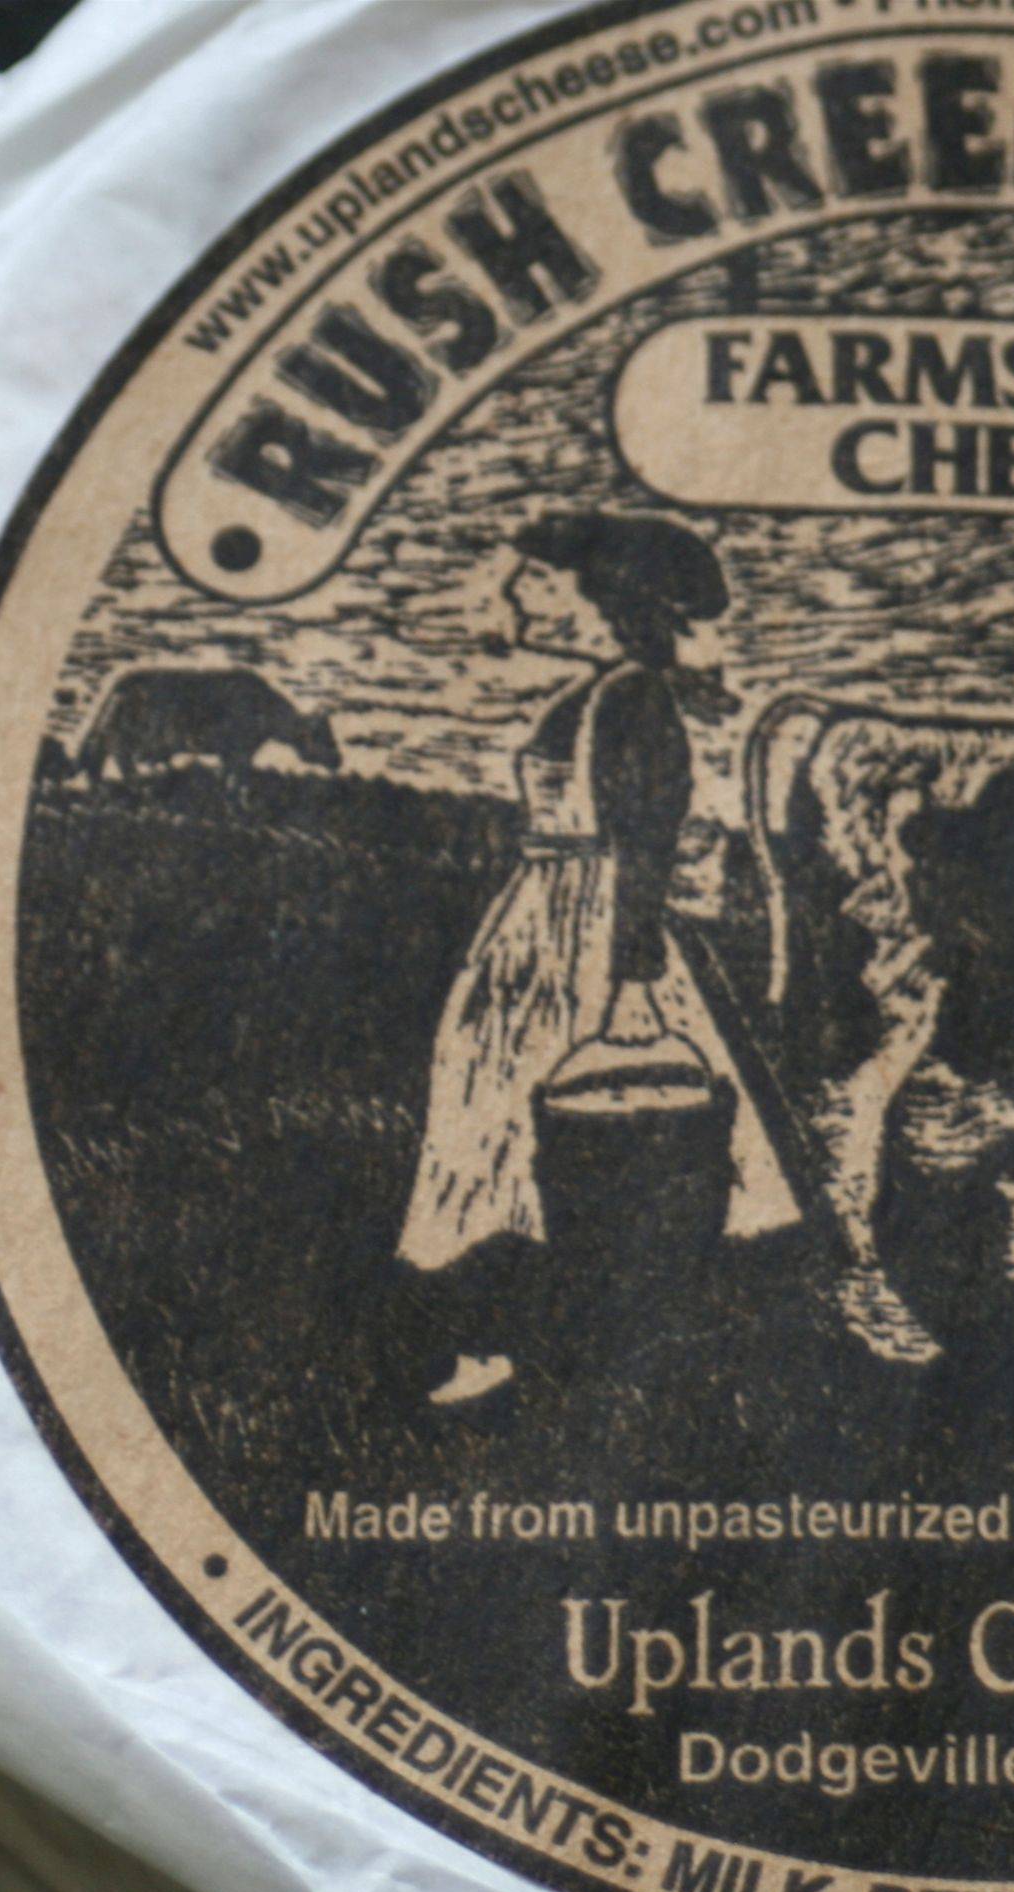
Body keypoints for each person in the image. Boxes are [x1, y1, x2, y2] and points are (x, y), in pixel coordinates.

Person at [397, 512, 800, 1402]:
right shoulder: (591, 694)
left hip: (594, 934)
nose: (515, 592)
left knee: (559, 1129)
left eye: (539, 580)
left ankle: (580, 1347)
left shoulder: (629, 698)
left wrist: (632, 982)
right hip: (546, 917)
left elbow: (645, 843)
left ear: (599, 598)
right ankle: (520, 1336)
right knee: (498, 1121)